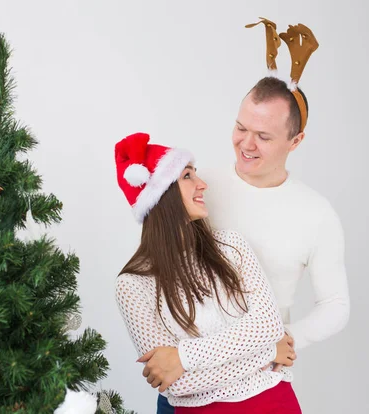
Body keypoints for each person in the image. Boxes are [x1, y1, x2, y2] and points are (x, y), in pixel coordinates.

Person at [155, 19, 349, 413]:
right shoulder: (199, 185)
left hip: (259, 385)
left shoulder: (316, 214)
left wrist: (284, 338)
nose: (246, 144)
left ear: (296, 141)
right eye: (241, 127)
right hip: (191, 379)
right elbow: (161, 263)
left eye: (263, 136)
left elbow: (336, 305)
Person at [114, 132, 301, 413]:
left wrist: (183, 357)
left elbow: (267, 326)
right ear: (161, 194)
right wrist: (269, 352)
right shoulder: (132, 285)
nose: (202, 185)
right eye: (187, 176)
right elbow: (176, 384)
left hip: (274, 401)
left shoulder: (231, 246)